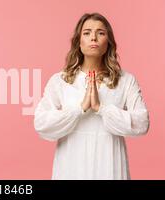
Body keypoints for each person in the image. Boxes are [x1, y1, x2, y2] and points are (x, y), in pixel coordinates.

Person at [34, 13, 150, 180]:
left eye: (101, 33)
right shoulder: (60, 80)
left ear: (108, 42)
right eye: (87, 33)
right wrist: (79, 109)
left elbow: (142, 123)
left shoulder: (125, 80)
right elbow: (41, 123)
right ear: (78, 41)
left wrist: (101, 109)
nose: (93, 38)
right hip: (71, 164)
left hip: (109, 164)